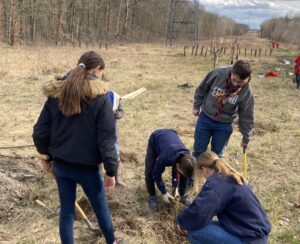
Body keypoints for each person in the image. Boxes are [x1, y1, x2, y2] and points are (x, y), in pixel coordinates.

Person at [33, 51, 123, 244]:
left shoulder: (56, 95)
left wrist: (47, 158)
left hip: (62, 167)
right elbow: (107, 140)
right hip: (88, 170)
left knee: (66, 212)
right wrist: (111, 172)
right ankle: (112, 242)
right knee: (100, 209)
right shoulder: (101, 99)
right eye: (102, 72)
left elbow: (40, 132)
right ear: (97, 70)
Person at [177, 151, 271, 244]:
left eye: (201, 173)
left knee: (194, 231)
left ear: (204, 169)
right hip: (255, 234)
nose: (203, 177)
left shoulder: (216, 184)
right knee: (202, 225)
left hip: (248, 239)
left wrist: (181, 221)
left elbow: (199, 212)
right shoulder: (232, 177)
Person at [192, 60, 254, 158]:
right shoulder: (218, 73)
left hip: (224, 124)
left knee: (217, 156)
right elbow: (202, 88)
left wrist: (246, 136)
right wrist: (196, 106)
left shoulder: (247, 91)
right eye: (234, 79)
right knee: (198, 152)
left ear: (247, 79)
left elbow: (246, 114)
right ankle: (195, 173)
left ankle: (214, 173)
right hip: (205, 118)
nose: (236, 84)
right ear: (232, 71)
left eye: (240, 82)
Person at [145, 129, 196, 212]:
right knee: (150, 172)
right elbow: (156, 174)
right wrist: (164, 192)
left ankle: (182, 196)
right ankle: (152, 197)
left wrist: (176, 188)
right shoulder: (165, 158)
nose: (181, 174)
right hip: (156, 138)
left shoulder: (187, 159)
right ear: (178, 165)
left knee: (183, 174)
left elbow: (183, 176)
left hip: (171, 135)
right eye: (180, 171)